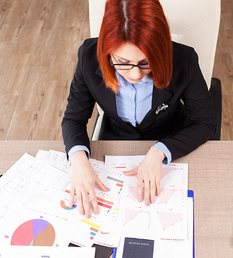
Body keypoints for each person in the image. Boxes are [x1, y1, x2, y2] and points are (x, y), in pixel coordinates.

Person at [62, 0, 216, 218]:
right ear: (107, 50)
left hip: (171, 137)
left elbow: (205, 123)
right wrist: (77, 158)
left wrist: (159, 151)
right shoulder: (88, 56)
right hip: (115, 141)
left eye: (146, 63)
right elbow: (73, 119)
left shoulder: (184, 60)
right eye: (123, 62)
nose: (134, 75)